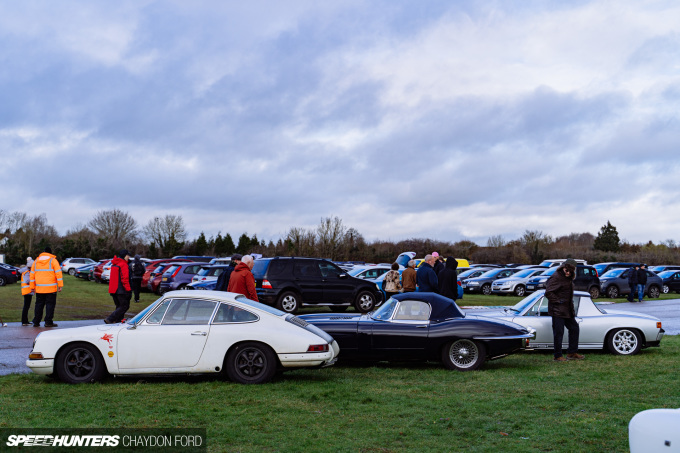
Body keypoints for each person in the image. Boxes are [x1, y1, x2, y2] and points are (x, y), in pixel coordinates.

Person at [545, 259, 583, 361]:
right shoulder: (556, 277)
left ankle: (572, 353)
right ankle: (557, 356)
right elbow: (548, 292)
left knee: (574, 328)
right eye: (567, 270)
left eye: (571, 271)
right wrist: (558, 301)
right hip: (557, 310)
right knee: (559, 333)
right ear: (563, 267)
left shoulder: (568, 278)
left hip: (567, 310)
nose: (568, 272)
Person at [29, 247, 63, 327]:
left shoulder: (36, 261)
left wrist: (32, 286)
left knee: (39, 305)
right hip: (51, 289)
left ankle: (36, 321)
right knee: (50, 305)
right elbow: (58, 273)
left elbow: (32, 275)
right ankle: (48, 322)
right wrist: (60, 285)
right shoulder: (53, 261)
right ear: (50, 253)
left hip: (39, 288)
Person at [105, 250, 132, 324]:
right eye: (128, 255)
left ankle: (118, 322)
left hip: (114, 290)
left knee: (119, 306)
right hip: (121, 290)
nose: (129, 257)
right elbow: (125, 279)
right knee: (125, 306)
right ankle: (110, 319)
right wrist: (128, 290)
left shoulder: (114, 264)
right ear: (124, 256)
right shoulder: (123, 264)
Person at [21, 257, 35, 326]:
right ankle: (24, 321)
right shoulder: (27, 272)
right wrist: (34, 280)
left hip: (27, 291)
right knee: (26, 307)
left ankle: (25, 321)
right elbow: (27, 281)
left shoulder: (26, 272)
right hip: (27, 291)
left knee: (26, 306)